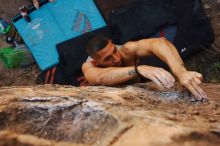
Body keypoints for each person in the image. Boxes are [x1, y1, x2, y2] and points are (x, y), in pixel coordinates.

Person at [82, 35, 208, 101]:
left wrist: (181, 72)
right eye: (107, 59)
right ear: (96, 62)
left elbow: (159, 42)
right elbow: (99, 78)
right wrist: (138, 69)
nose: (117, 58)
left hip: (139, 96)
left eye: (114, 50)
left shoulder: (125, 50)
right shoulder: (89, 66)